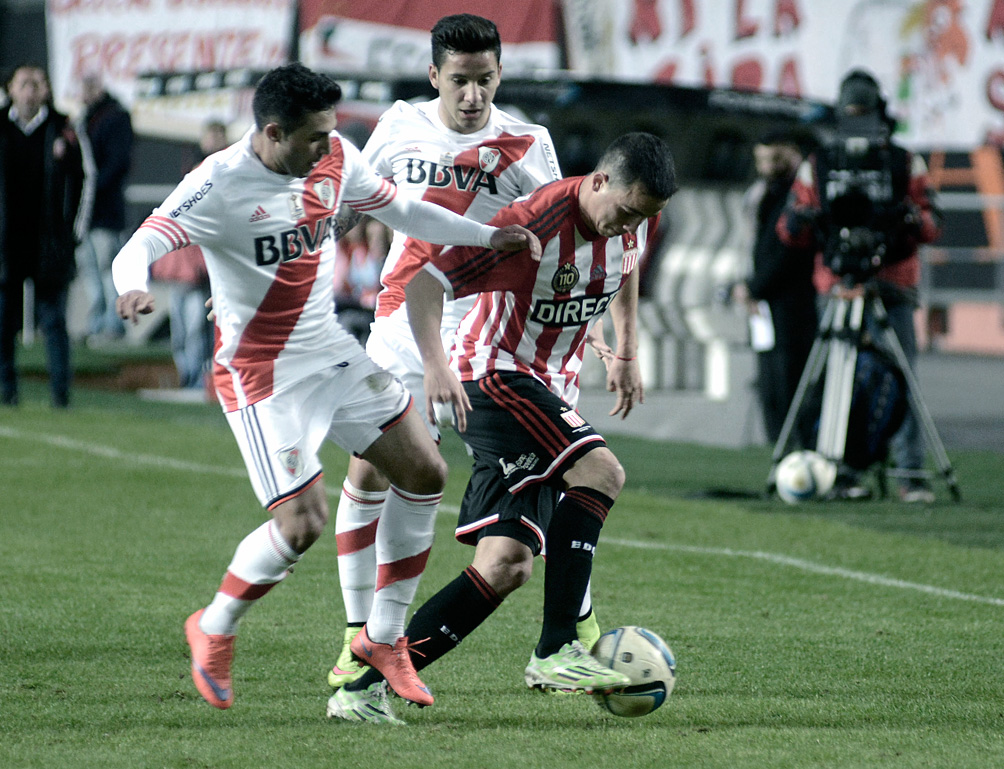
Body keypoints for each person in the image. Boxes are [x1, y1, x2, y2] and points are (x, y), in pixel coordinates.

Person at [111, 62, 539, 711]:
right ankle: (214, 625)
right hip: (260, 373)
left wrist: (487, 235)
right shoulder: (220, 182)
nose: (329, 145)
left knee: (424, 468)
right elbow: (138, 244)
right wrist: (132, 286)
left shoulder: (334, 154)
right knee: (302, 521)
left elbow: (400, 208)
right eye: (315, 136)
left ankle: (384, 636)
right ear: (274, 132)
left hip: (327, 351)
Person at [328, 132, 678, 724]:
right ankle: (557, 647)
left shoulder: (630, 221)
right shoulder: (535, 225)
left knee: (507, 564)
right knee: (601, 471)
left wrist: (627, 350)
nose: (629, 226)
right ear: (597, 181)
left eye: (642, 217)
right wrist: (435, 366)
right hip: (493, 373)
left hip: (540, 383)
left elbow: (628, 265)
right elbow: (425, 283)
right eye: (624, 211)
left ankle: (360, 690)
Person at [324, 14, 614, 699]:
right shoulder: (398, 125)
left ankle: (577, 622)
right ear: (434, 77)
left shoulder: (527, 143)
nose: (473, 95)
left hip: (487, 331)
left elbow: (565, 231)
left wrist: (584, 319)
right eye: (459, 80)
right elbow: (341, 211)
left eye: (485, 80)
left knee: (550, 467)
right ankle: (358, 632)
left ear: (500, 76)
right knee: (375, 472)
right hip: (402, 322)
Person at [778, 69, 942, 503]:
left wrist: (906, 220)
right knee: (837, 380)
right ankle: (840, 471)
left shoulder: (904, 162)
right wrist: (802, 222)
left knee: (902, 378)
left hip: (892, 285)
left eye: (863, 115)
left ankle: (911, 473)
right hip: (836, 283)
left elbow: (931, 222)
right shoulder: (820, 163)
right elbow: (789, 228)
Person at [0, 64, 84, 409]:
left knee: (53, 322)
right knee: (4, 324)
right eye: (24, 84)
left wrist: (70, 232)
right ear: (11, 89)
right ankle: (7, 392)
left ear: (46, 90)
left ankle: (60, 395)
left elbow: (83, 179)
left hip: (48, 243)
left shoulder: (63, 129)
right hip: (6, 244)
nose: (30, 91)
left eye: (37, 84)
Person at [733, 130, 817, 446]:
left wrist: (755, 287)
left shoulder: (800, 195)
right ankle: (780, 449)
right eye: (763, 158)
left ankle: (798, 448)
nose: (769, 164)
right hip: (765, 301)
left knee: (791, 379)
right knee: (770, 380)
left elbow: (790, 252)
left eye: (776, 157)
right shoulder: (761, 193)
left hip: (794, 302)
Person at [149, 120, 229, 390]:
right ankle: (187, 375)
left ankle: (196, 379)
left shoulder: (227, 172)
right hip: (180, 267)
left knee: (195, 330)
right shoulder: (193, 168)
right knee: (182, 331)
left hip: (199, 271)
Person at [75, 73, 133, 345]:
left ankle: (114, 325)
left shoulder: (115, 117)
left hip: (105, 213)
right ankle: (97, 323)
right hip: (83, 215)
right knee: (90, 270)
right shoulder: (83, 120)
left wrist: (92, 190)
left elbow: (118, 163)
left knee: (108, 268)